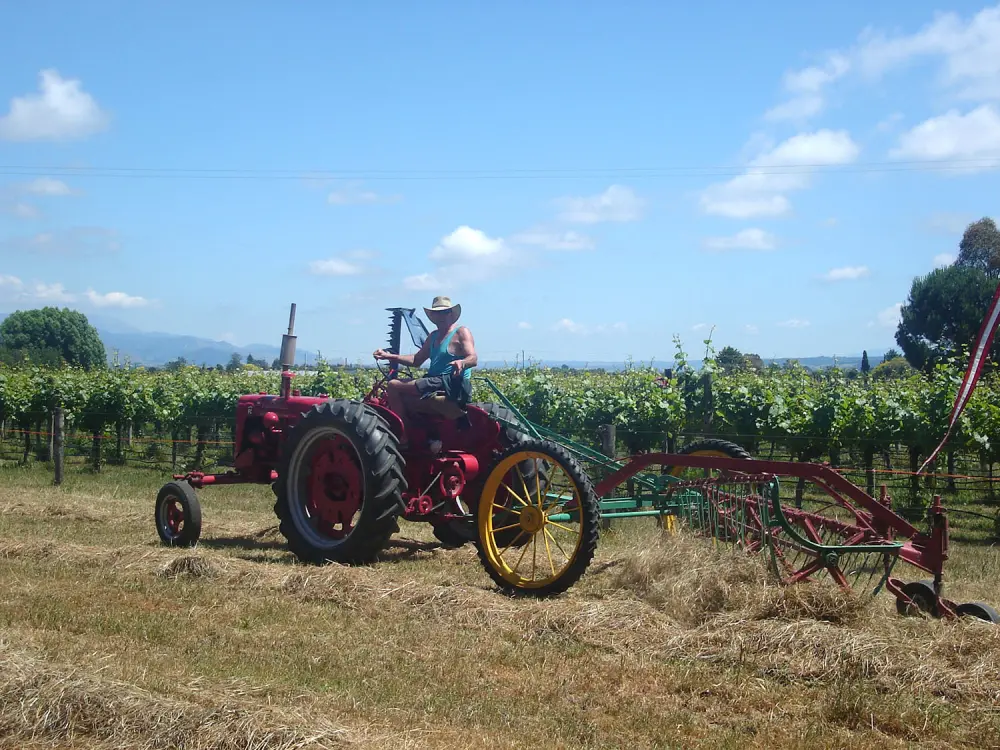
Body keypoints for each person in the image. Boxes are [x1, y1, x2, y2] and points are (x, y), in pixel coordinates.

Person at [373, 295, 478, 444]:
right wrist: (389, 356)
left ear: (451, 314)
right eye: (437, 313)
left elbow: (473, 358)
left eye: (444, 312)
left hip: (449, 382)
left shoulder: (461, 332)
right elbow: (416, 360)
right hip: (433, 380)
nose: (440, 316)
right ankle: (427, 434)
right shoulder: (433, 336)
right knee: (406, 399)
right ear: (432, 316)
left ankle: (403, 435)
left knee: (393, 386)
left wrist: (462, 362)